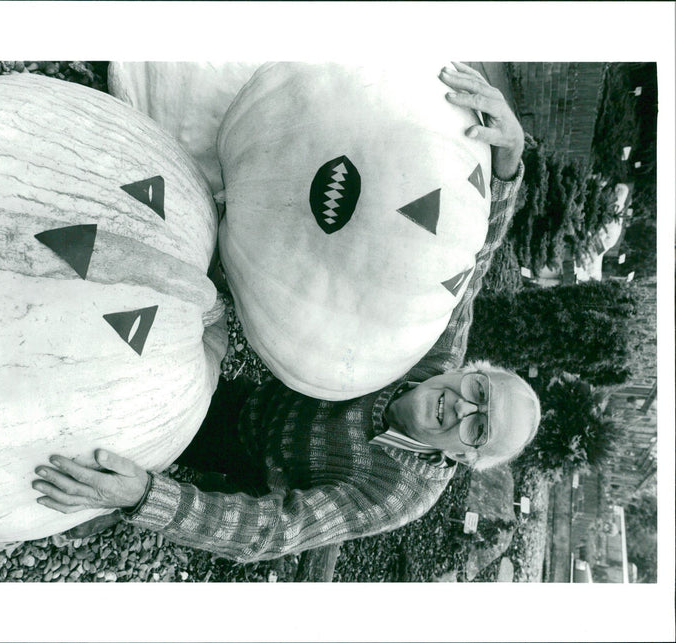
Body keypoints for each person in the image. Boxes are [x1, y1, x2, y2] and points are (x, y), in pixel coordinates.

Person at [31, 62, 539, 563]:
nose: (461, 409)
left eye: (478, 428)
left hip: (259, 464)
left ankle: (105, 497)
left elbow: (276, 530)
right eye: (479, 394)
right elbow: (466, 257)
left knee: (130, 452)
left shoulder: (398, 492)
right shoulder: (433, 350)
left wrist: (144, 497)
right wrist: (510, 163)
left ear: (463, 457)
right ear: (473, 371)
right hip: (269, 397)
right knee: (177, 357)